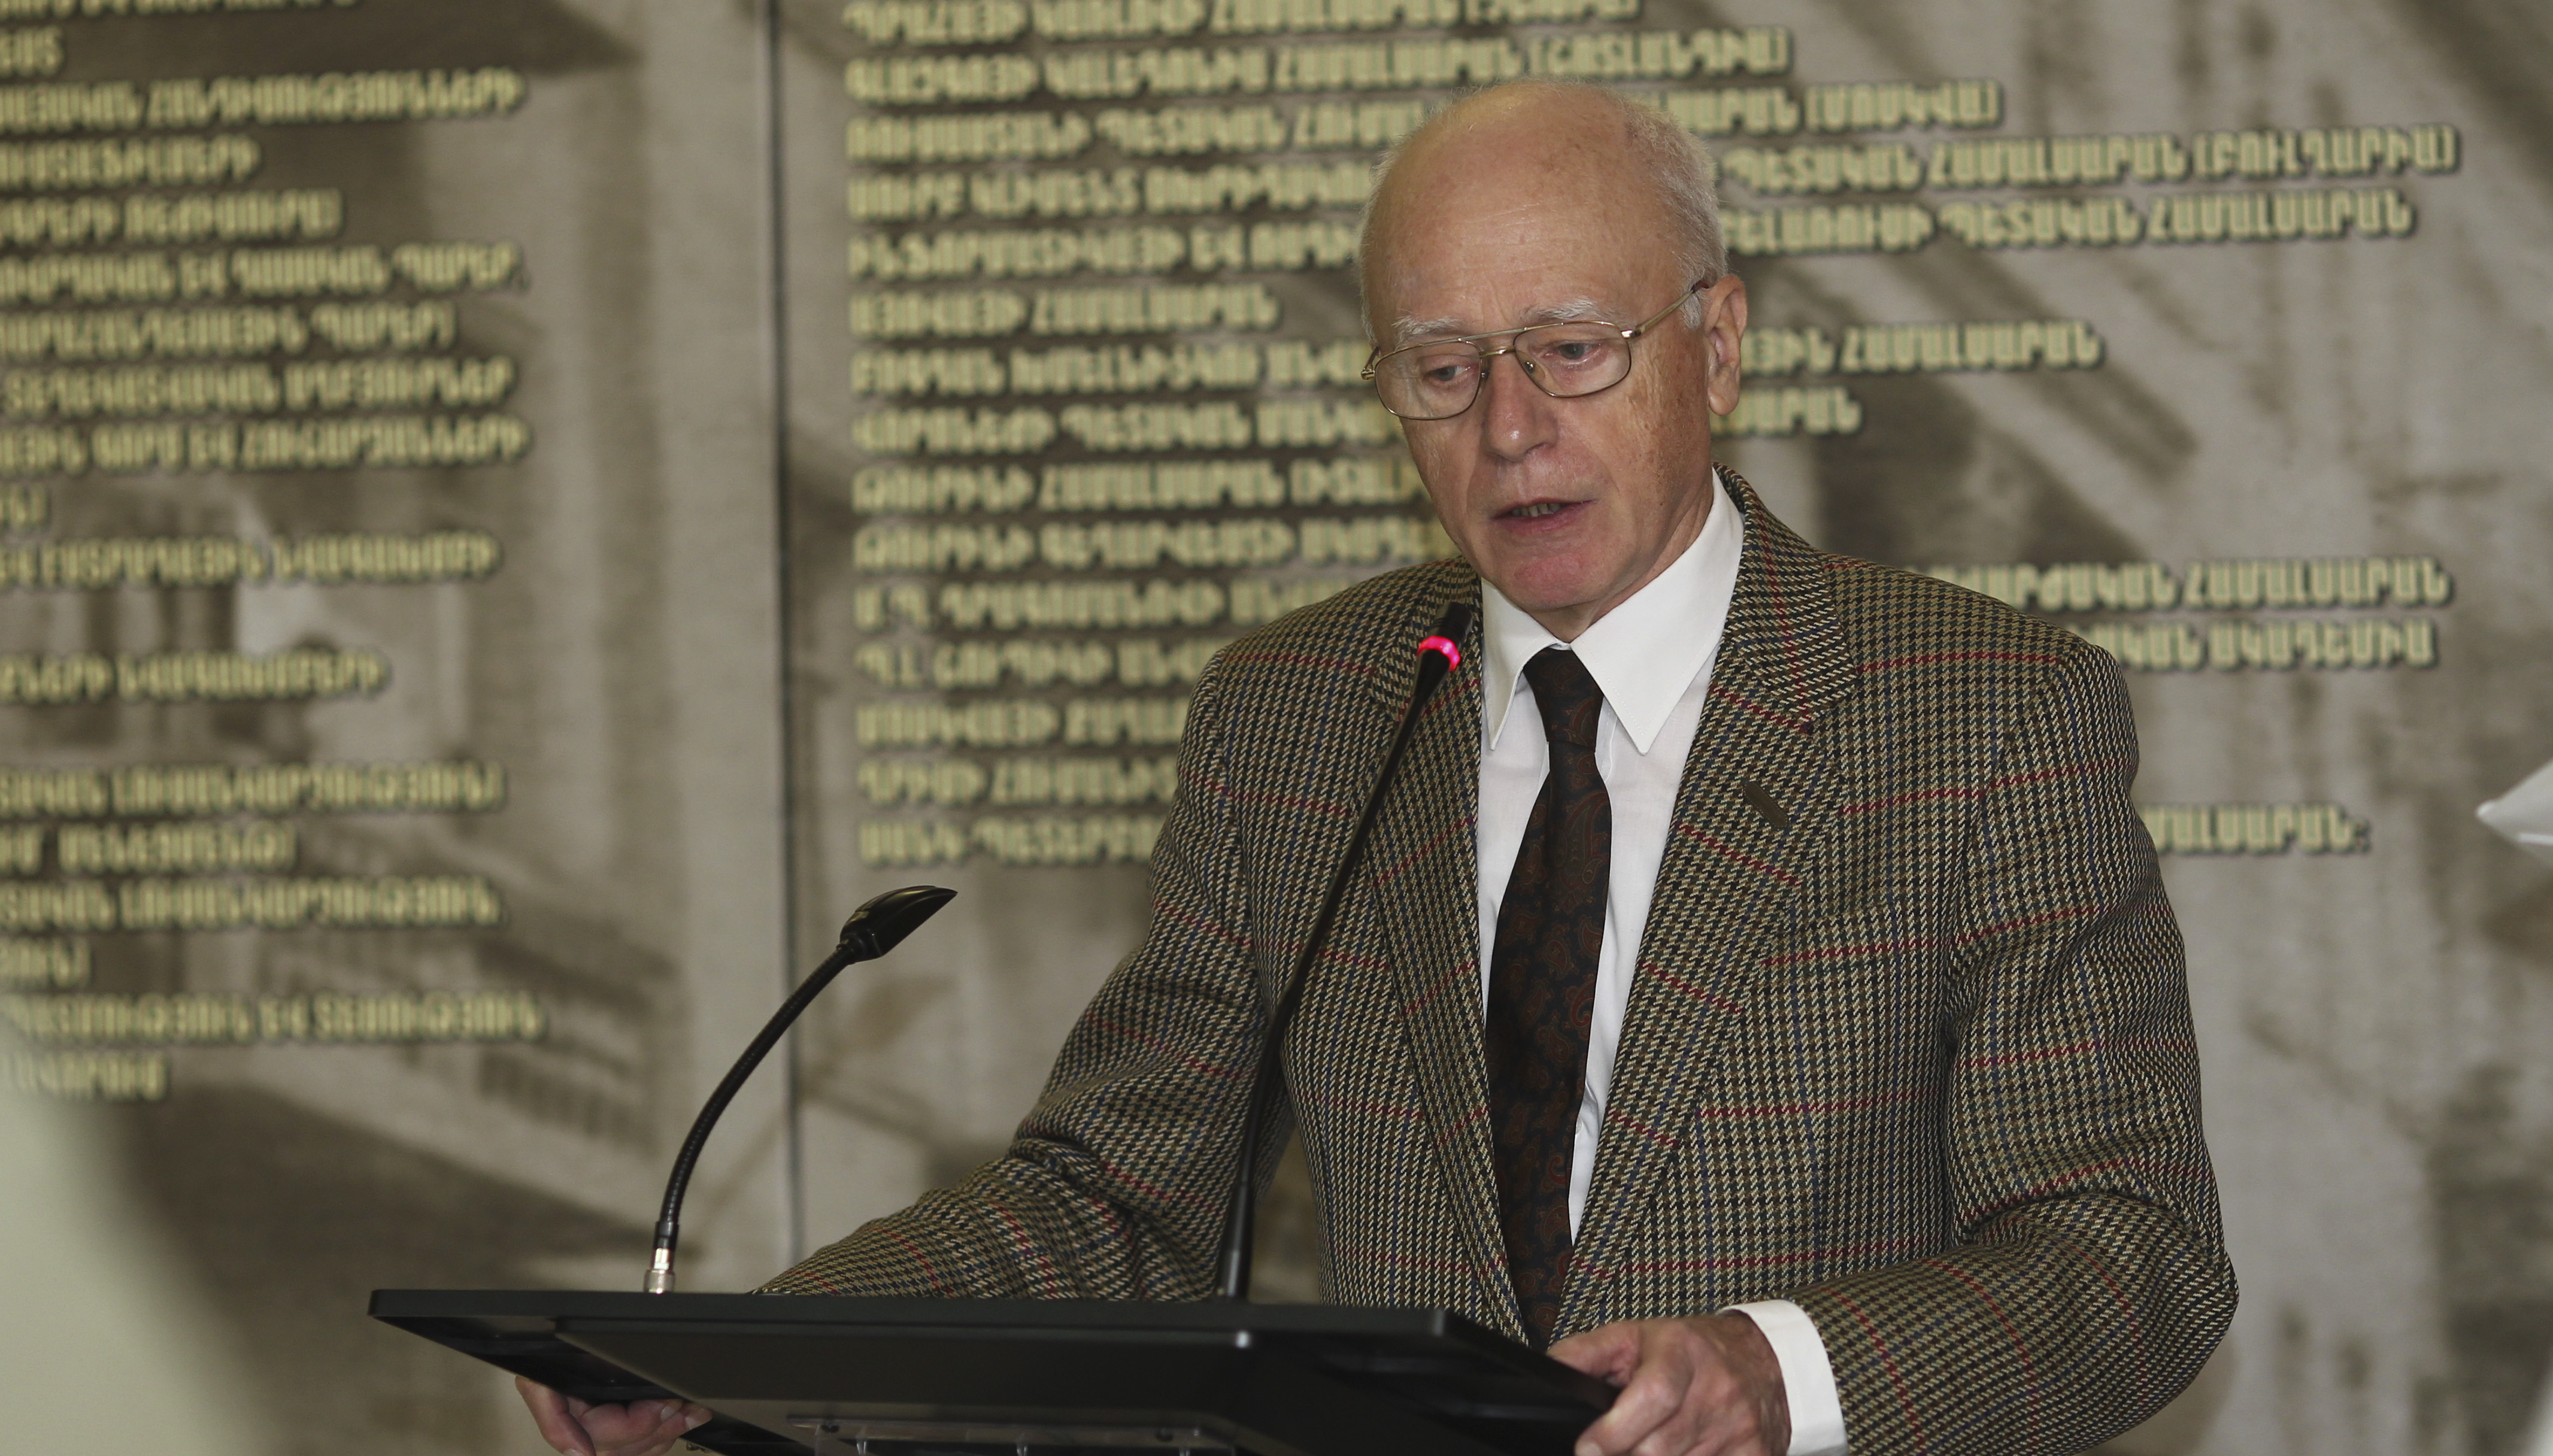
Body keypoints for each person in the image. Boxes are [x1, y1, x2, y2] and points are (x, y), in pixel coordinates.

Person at [523, 80, 2234, 1456]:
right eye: (1441, 369)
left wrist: (1772, 1375)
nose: (1508, 427)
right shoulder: (1298, 714)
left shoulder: (1981, 711)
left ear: (1716, 343)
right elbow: (1116, 1199)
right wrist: (741, 1359)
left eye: (1571, 350)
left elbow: (2127, 1249)